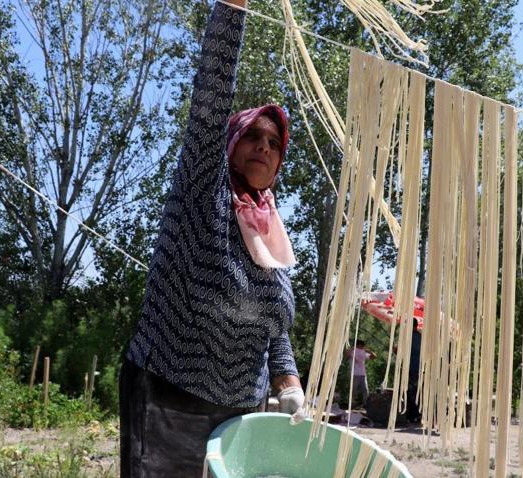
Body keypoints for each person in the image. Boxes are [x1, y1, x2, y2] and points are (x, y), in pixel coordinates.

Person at [119, 1, 304, 476]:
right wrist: (233, 10)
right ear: (230, 144)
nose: (264, 146)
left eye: (274, 143)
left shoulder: (271, 231)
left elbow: (274, 324)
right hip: (169, 396)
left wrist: (287, 380)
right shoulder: (204, 194)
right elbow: (210, 99)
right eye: (253, 137)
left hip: (241, 414)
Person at [345, 339, 377, 408]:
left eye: (362, 346)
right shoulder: (352, 351)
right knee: (353, 390)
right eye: (361, 345)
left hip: (363, 374)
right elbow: (346, 355)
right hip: (354, 374)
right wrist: (353, 348)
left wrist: (369, 351)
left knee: (365, 390)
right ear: (358, 345)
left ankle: (365, 404)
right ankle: (351, 404)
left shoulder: (363, 352)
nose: (362, 347)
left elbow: (374, 357)